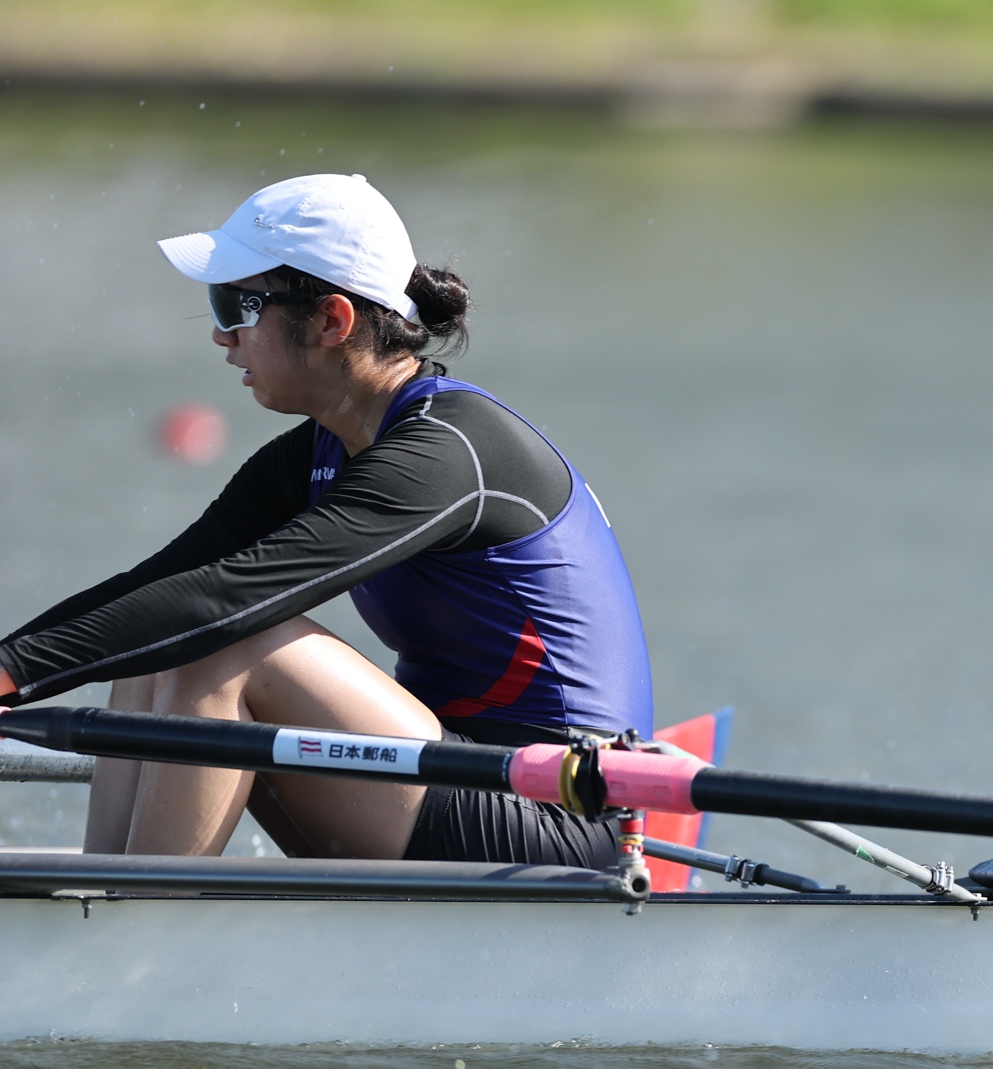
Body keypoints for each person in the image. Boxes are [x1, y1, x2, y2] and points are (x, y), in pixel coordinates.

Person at [0, 173, 652, 865]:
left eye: (238, 305)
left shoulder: (447, 452)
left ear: (331, 322)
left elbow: (229, 599)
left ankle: (135, 918)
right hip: (455, 778)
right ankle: (102, 897)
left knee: (220, 643)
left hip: (560, 813)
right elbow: (163, 586)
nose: (221, 335)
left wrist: (12, 674)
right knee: (152, 639)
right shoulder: (316, 453)